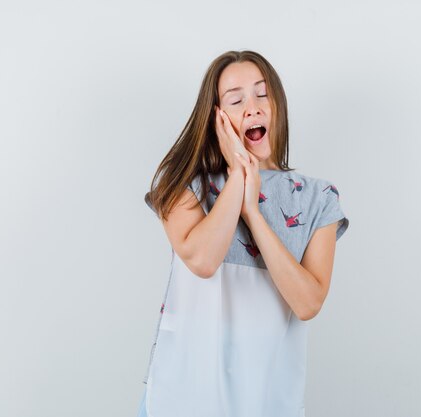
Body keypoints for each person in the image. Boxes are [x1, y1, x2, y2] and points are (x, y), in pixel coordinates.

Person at [137, 50, 349, 417]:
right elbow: (202, 260)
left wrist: (253, 211)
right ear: (217, 118)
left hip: (266, 400)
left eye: (262, 94)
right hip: (183, 399)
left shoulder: (318, 198)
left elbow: (308, 303)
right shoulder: (183, 185)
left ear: (277, 106)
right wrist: (239, 175)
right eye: (236, 100)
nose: (252, 107)